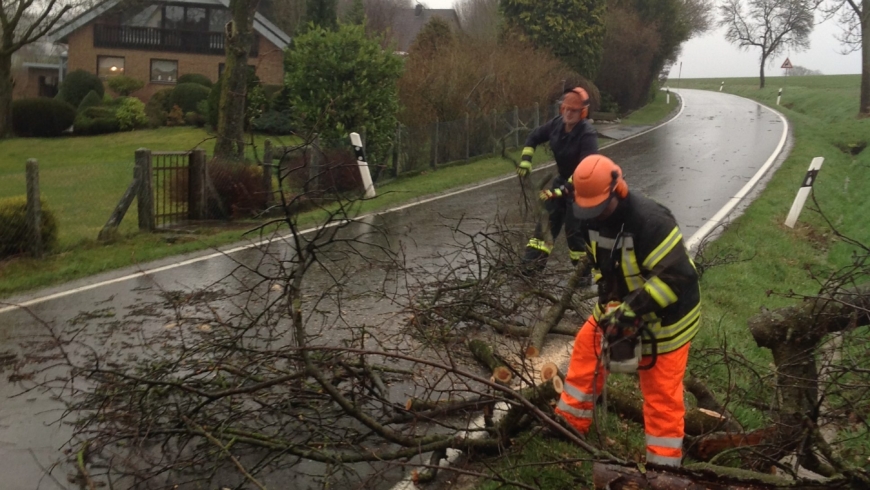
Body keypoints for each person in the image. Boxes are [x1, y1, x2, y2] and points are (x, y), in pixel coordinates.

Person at [554, 154, 701, 468]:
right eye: (586, 209)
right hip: (623, 305)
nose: (593, 216)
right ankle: (569, 425)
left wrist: (632, 309)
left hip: (669, 320)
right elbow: (602, 268)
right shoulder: (590, 218)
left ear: (617, 190)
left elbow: (678, 278)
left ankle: (663, 467)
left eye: (598, 208)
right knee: (586, 346)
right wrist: (610, 303)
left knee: (660, 392)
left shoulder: (651, 221)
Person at [516, 86, 599, 275]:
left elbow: (586, 168)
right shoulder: (556, 125)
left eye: (574, 110)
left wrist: (562, 190)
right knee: (545, 225)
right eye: (566, 108)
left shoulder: (587, 135)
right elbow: (533, 137)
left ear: (583, 112)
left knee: (574, 232)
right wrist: (526, 161)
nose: (568, 113)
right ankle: (531, 268)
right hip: (562, 180)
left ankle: (581, 276)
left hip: (581, 188)